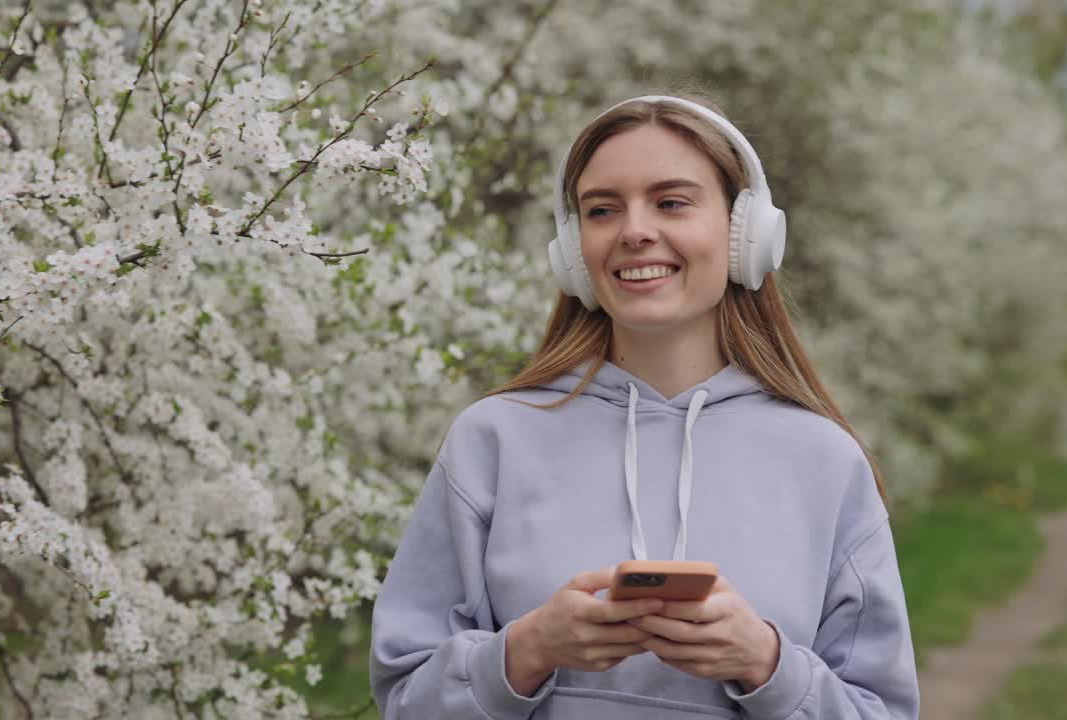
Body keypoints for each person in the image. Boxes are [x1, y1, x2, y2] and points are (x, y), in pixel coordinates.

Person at [368, 92, 920, 719]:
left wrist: (766, 664)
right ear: (575, 252)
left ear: (746, 235)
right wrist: (526, 651)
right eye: (602, 210)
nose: (634, 231)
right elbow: (406, 701)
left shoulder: (825, 461)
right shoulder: (492, 441)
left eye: (671, 203)